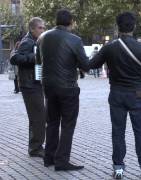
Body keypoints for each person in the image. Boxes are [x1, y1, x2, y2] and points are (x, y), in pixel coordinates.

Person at [89, 12, 141, 179]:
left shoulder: (109, 47)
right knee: (140, 132)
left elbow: (92, 64)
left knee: (118, 132)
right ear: (134, 27)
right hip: (137, 94)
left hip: (116, 94)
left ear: (117, 27)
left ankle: (118, 168)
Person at [37, 9, 90, 171]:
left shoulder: (42, 37)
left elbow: (38, 60)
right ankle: (61, 161)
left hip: (48, 86)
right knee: (67, 124)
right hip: (67, 87)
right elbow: (85, 65)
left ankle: (49, 157)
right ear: (71, 22)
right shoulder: (75, 40)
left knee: (52, 122)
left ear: (56, 21)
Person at [10, 17, 46, 157]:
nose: (43, 30)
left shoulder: (34, 41)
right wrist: (35, 56)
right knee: (39, 117)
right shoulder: (27, 42)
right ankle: (36, 148)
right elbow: (15, 58)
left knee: (36, 117)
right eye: (40, 28)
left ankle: (35, 146)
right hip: (29, 85)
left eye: (43, 27)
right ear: (32, 29)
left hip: (34, 83)